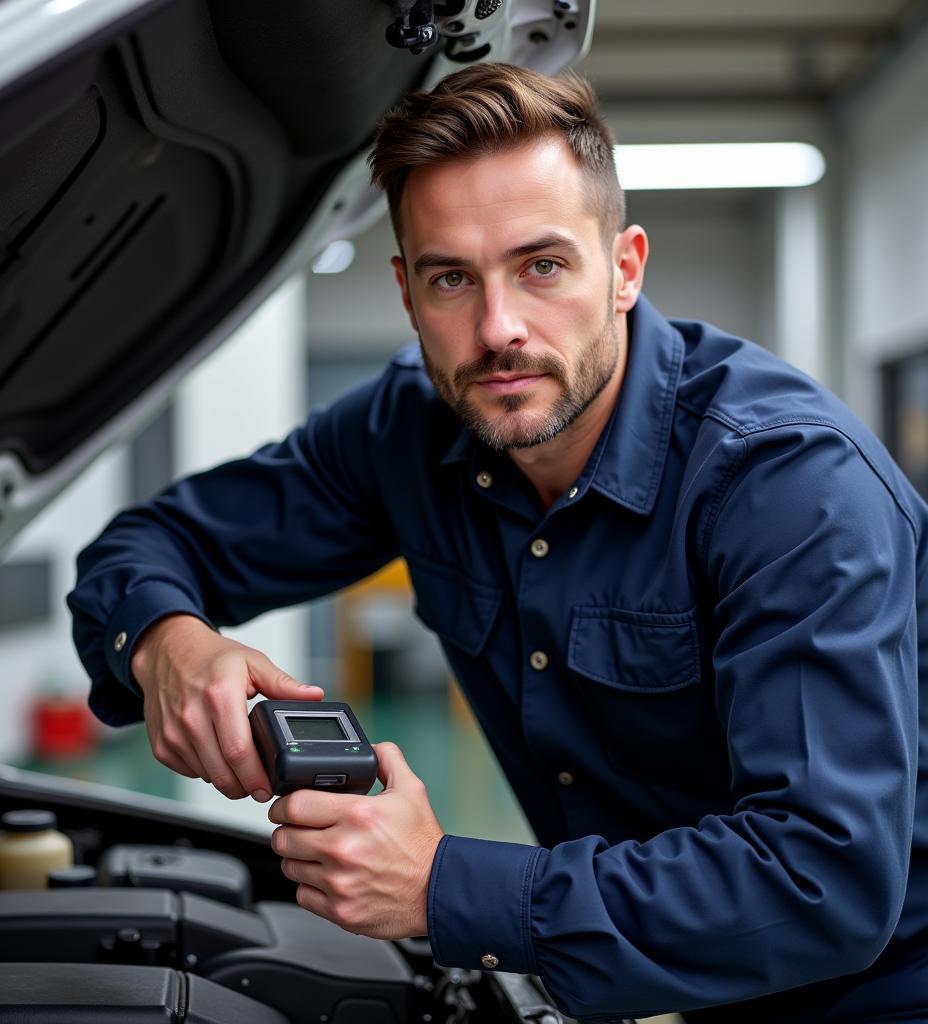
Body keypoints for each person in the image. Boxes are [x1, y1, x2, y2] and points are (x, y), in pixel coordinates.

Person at [67, 63, 928, 1022]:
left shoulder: (788, 485)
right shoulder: (408, 428)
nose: (498, 329)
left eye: (542, 266)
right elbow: (144, 546)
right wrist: (168, 642)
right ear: (405, 291)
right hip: (674, 974)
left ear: (626, 269)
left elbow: (827, 880)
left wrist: (445, 888)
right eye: (451, 279)